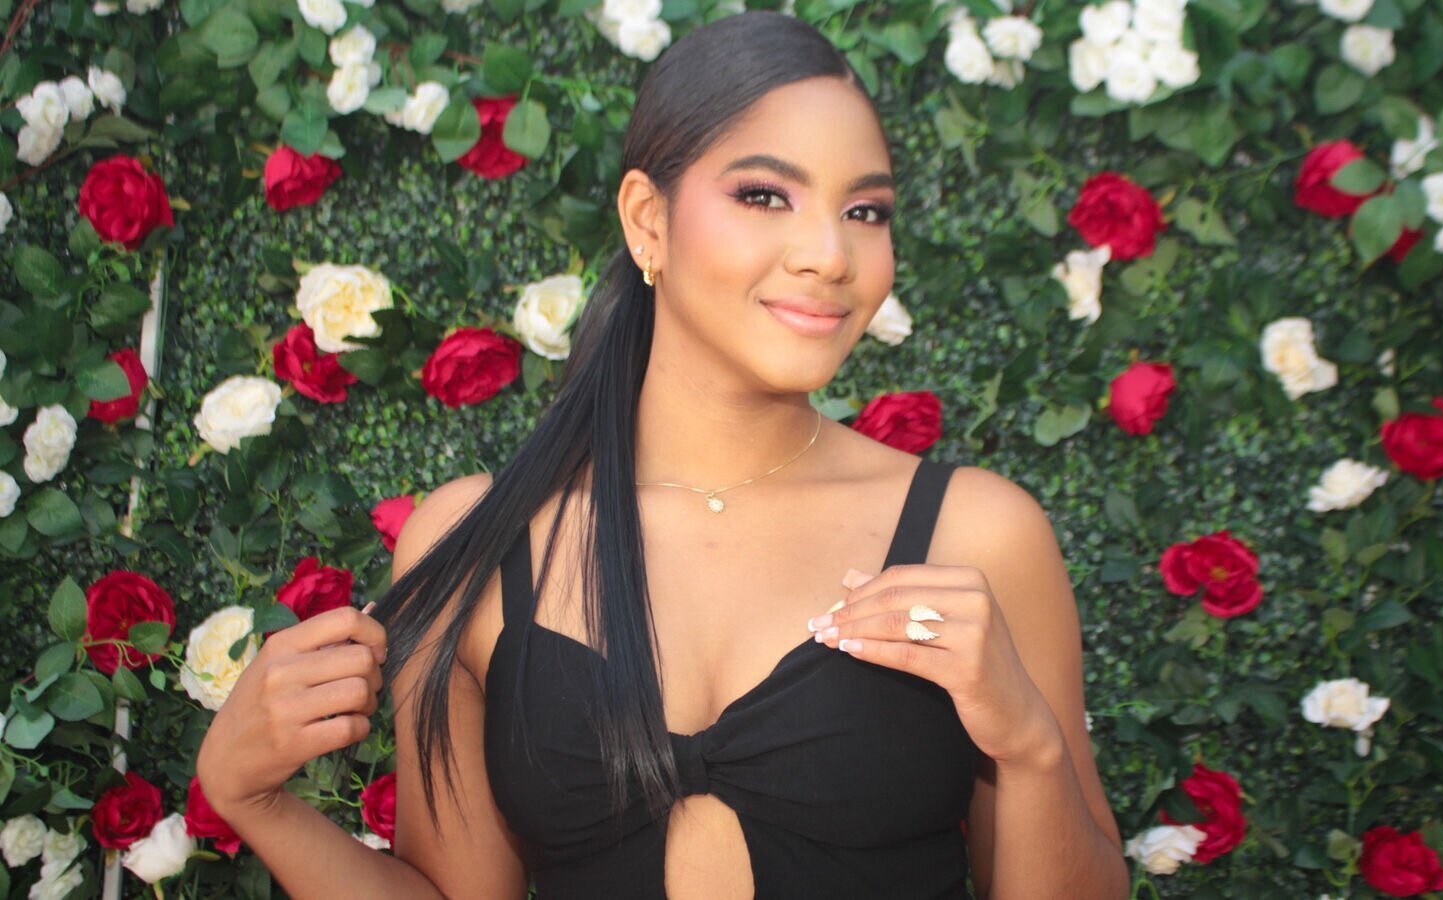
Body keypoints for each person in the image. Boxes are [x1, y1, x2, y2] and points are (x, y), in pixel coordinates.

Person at [195, 10, 1126, 899]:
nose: (830, 254)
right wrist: (251, 799)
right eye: (765, 195)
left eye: (866, 210)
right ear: (648, 219)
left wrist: (1030, 746)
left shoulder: (979, 536)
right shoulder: (478, 545)